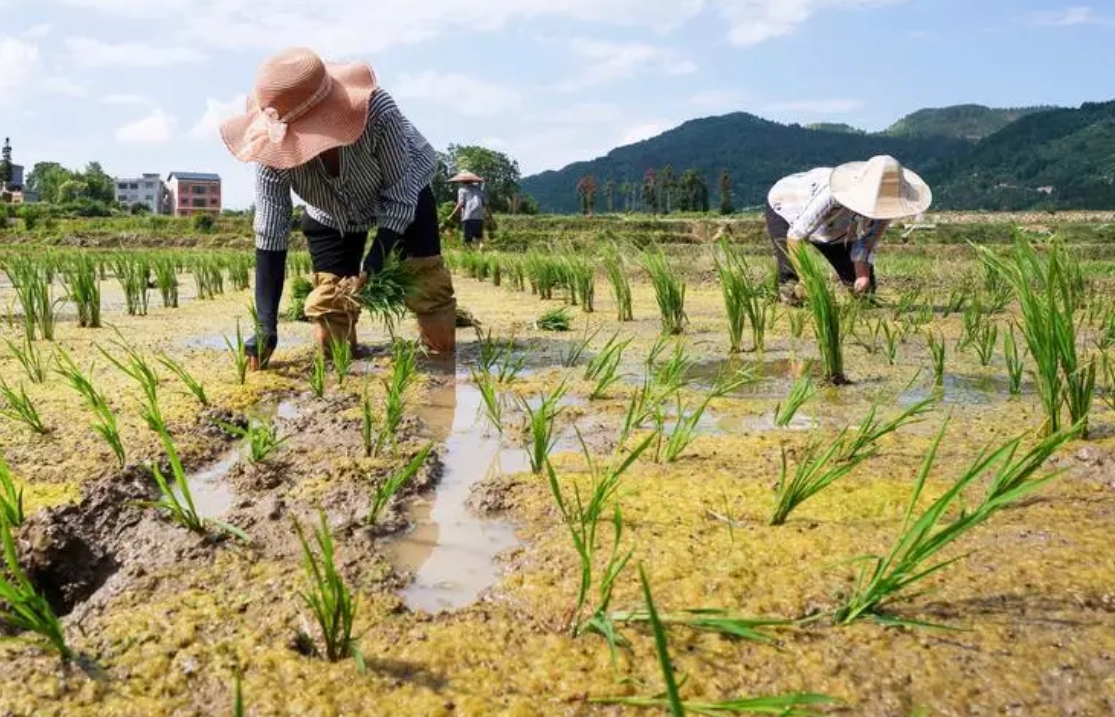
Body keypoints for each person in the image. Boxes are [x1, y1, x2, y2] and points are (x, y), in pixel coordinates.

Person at [219, 47, 457, 369]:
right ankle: (344, 379)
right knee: (332, 309)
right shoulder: (269, 147)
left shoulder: (377, 112)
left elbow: (400, 194)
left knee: (429, 290)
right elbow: (271, 230)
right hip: (329, 213)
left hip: (405, 191)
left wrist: (373, 263)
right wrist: (266, 326)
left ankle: (442, 374)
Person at [765, 155, 931, 305]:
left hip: (837, 229)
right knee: (793, 289)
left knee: (864, 294)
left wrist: (862, 275)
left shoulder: (888, 204)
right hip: (787, 207)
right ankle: (785, 290)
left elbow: (866, 241)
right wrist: (806, 279)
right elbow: (795, 237)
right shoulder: (832, 195)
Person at [445, 172, 487, 247]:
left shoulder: (462, 190)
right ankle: (481, 247)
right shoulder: (479, 190)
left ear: (462, 181)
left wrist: (451, 215)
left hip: (468, 217)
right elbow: (485, 203)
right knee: (479, 238)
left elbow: (460, 203)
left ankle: (470, 255)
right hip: (479, 217)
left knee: (467, 241)